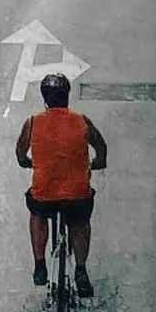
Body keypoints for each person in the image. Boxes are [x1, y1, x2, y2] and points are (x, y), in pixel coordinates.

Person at [15, 70, 108, 297]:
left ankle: (39, 264)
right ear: (67, 96)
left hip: (45, 194)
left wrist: (28, 162)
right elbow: (101, 147)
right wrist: (97, 163)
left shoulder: (33, 122)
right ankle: (81, 270)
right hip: (77, 195)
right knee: (80, 222)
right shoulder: (82, 121)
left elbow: (20, 155)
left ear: (45, 98)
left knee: (37, 214)